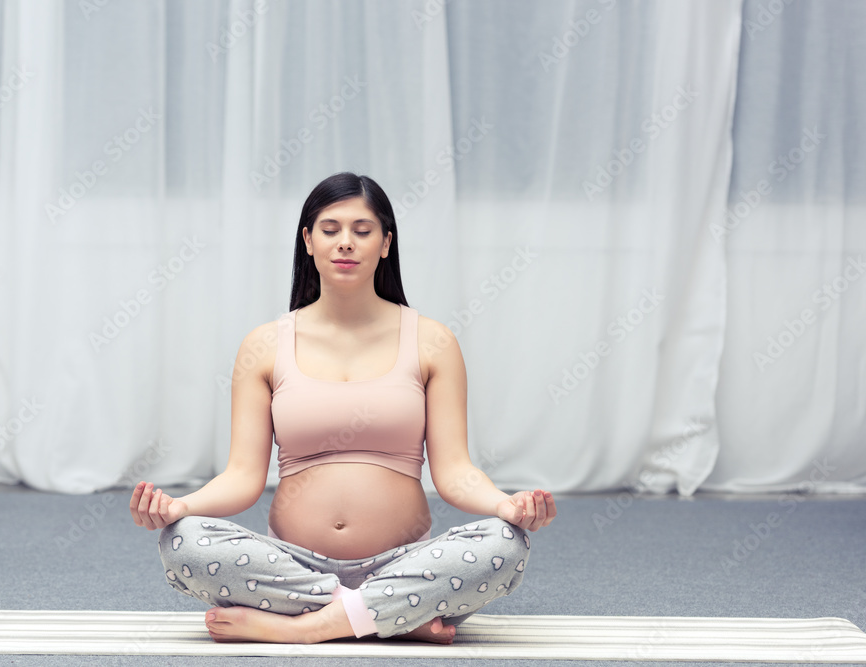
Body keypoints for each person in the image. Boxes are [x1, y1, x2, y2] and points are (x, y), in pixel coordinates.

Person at [129, 172, 557, 644]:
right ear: (308, 241)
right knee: (185, 542)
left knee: (504, 545)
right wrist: (177, 507)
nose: (345, 243)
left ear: (386, 242)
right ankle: (390, 616)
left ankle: (309, 627)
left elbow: (454, 472)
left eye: (362, 230)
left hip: (402, 563)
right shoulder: (266, 344)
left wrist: (506, 505)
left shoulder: (433, 342)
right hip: (294, 566)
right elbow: (242, 477)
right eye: (330, 230)